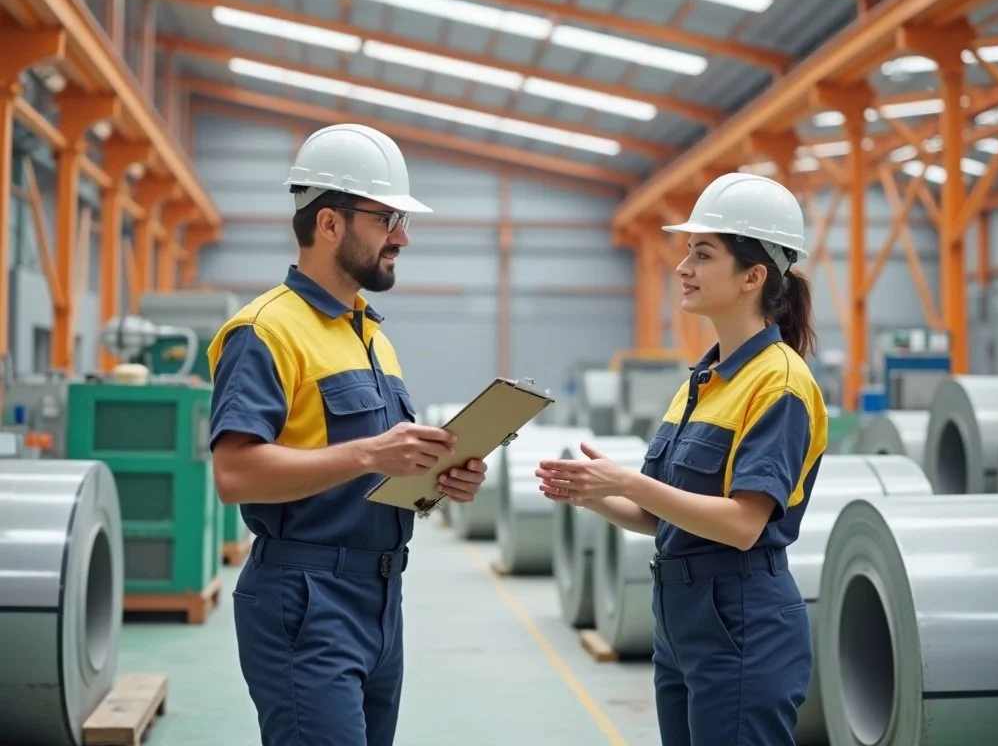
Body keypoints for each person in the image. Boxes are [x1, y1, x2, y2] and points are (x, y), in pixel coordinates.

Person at [206, 123, 488, 746]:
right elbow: (234, 475)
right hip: (306, 598)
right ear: (329, 223)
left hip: (381, 594)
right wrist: (371, 451)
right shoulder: (264, 331)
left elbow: (372, 472)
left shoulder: (371, 336)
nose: (402, 238)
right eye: (387, 219)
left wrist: (439, 477)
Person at [536, 172, 828, 746]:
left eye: (702, 253)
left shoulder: (781, 385)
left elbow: (744, 525)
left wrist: (630, 483)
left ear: (753, 276)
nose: (682, 268)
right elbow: (662, 517)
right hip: (680, 616)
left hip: (740, 618)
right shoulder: (703, 379)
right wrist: (599, 495)